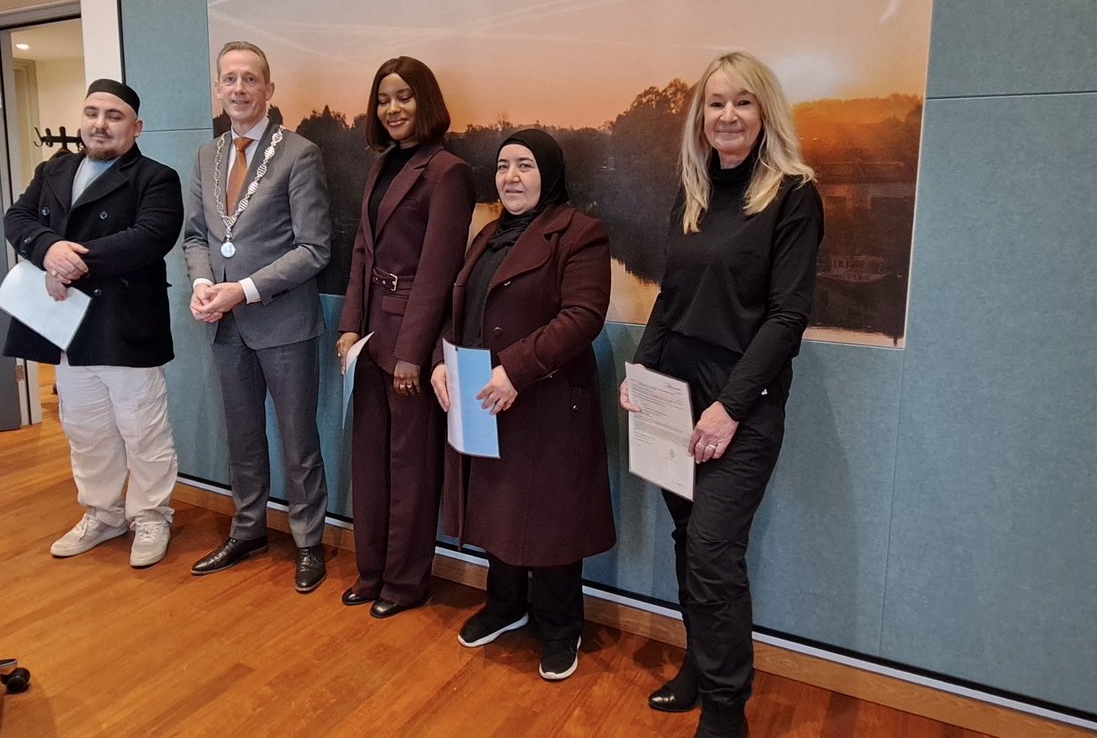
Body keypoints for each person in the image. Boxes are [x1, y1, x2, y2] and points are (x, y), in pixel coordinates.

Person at [620, 52, 823, 738]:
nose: (727, 115)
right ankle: (702, 667)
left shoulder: (794, 195)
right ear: (700, 116)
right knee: (688, 540)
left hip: (742, 402)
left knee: (712, 550)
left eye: (742, 102)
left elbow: (788, 317)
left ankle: (727, 709)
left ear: (765, 112)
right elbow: (670, 299)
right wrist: (641, 374)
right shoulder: (694, 190)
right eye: (715, 103)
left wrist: (730, 408)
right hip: (674, 394)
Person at [430, 129, 615, 682]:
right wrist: (441, 360)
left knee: (551, 519)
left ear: (549, 173)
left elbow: (582, 317)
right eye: (503, 166)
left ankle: (560, 626)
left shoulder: (580, 233)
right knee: (496, 506)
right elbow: (459, 308)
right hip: (485, 398)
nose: (511, 177)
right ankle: (505, 604)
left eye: (525, 166)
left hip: (547, 399)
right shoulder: (487, 235)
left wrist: (515, 370)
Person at [3, 79, 182, 568]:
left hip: (125, 322)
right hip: (65, 323)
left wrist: (70, 264)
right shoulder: (53, 169)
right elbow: (17, 218)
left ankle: (151, 516)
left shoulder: (155, 177)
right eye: (92, 113)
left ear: (136, 127)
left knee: (143, 430)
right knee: (86, 431)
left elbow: (150, 236)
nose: (100, 124)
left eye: (114, 116)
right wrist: (47, 249)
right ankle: (103, 514)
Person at [184, 41, 331, 593]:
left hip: (284, 324)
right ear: (218, 88)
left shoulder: (300, 154)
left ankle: (309, 542)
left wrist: (241, 291)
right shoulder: (206, 156)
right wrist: (203, 285)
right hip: (223, 326)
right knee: (242, 438)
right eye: (230, 78)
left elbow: (314, 249)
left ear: (269, 89)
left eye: (250, 79)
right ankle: (248, 531)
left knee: (298, 441)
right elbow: (196, 237)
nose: (239, 88)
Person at [335, 57, 475, 618]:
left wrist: (414, 354)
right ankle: (371, 571)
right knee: (370, 461)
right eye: (383, 99)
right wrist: (349, 324)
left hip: (410, 340)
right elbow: (361, 251)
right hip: (370, 335)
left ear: (426, 102)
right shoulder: (381, 166)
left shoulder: (448, 172)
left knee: (410, 465)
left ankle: (405, 580)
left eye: (404, 97)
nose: (392, 109)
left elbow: (440, 272)